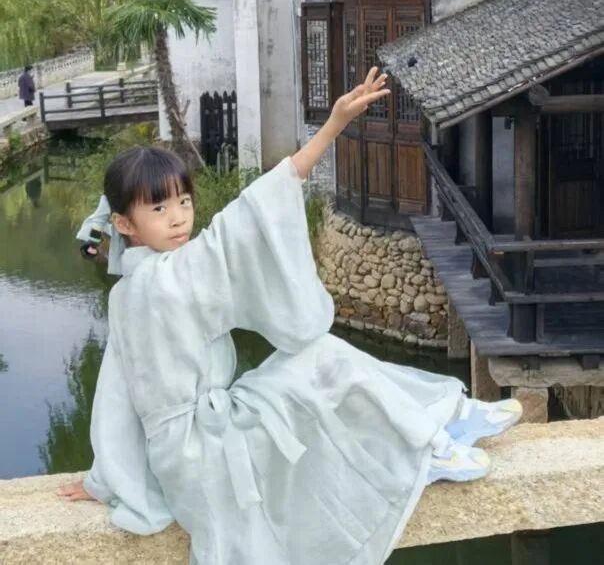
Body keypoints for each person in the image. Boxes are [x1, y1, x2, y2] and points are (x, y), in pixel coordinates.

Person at [57, 68, 522, 564]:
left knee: (314, 362)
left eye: (184, 201)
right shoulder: (162, 280)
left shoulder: (129, 292)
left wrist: (106, 477)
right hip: (204, 452)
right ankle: (431, 439)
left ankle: (439, 427)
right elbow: (246, 220)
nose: (179, 217)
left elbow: (116, 395)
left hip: (195, 444)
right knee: (318, 359)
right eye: (159, 209)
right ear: (124, 223)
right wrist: (331, 127)